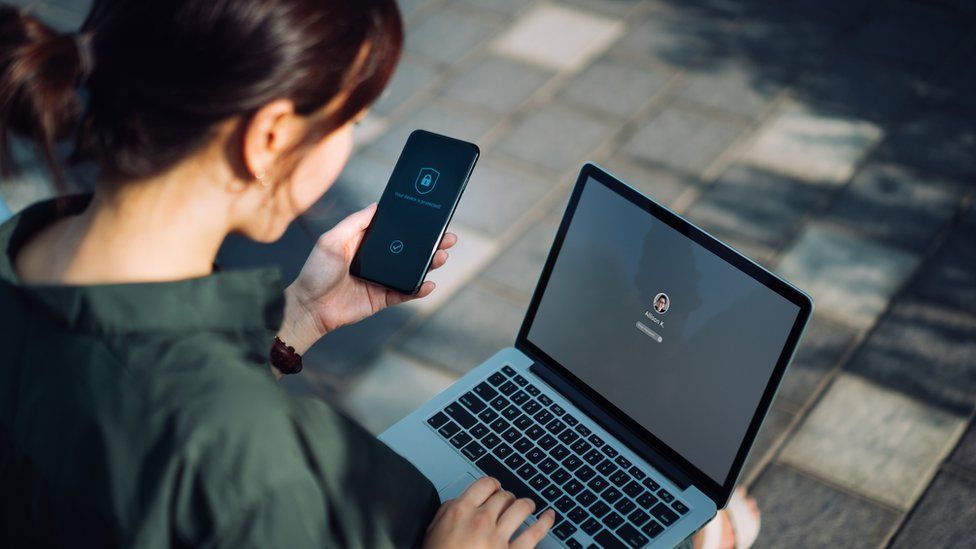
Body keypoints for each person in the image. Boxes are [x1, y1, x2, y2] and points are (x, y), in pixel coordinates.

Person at [0, 0, 761, 547]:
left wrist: (298, 319)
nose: (353, 139)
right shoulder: (243, 458)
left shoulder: (21, 248)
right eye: (350, 114)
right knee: (715, 530)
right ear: (268, 137)